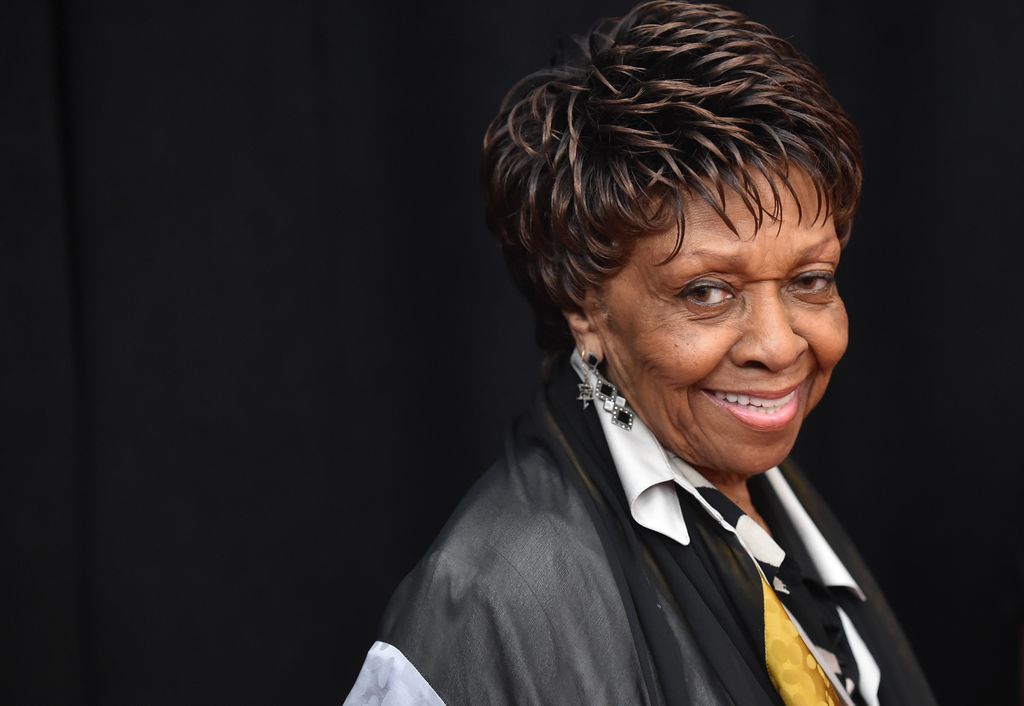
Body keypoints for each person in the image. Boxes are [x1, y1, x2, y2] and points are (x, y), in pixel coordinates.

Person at [345, 1, 937, 704]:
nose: (779, 346)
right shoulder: (491, 605)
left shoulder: (763, 496)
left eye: (810, 280)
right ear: (583, 305)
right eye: (707, 292)